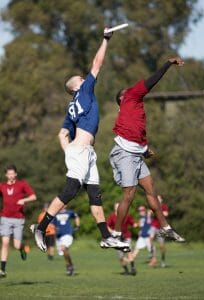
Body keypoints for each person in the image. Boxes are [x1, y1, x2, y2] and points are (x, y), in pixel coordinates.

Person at [31, 28, 129, 252]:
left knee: (95, 195)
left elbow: (62, 134)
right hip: (80, 151)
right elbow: (97, 63)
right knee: (71, 190)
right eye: (82, 79)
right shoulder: (83, 91)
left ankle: (106, 236)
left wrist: (69, 151)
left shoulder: (71, 109)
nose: (86, 79)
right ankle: (41, 226)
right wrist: (105, 39)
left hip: (84, 152)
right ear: (76, 85)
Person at [109, 57, 186, 250]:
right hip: (124, 154)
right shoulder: (131, 96)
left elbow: (136, 135)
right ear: (122, 99)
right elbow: (152, 80)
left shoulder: (135, 110)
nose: (133, 88)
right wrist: (168, 64)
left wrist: (144, 150)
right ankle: (115, 235)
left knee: (151, 190)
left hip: (135, 155)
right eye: (126, 91)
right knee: (129, 194)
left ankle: (166, 228)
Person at [0, 165, 37, 278]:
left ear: (15, 174)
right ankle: (2, 270)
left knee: (16, 245)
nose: (11, 176)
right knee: (5, 243)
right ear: (6, 175)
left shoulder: (22, 184)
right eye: (9, 174)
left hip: (18, 219)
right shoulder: (2, 186)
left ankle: (22, 249)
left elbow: (33, 197)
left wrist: (23, 200)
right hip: (5, 218)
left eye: (12, 173)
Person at [107, 202, 137, 275]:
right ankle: (126, 270)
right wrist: (112, 231)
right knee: (121, 257)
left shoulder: (126, 215)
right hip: (117, 239)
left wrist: (137, 225)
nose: (118, 208)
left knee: (129, 252)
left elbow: (133, 223)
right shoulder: (112, 216)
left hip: (126, 237)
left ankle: (133, 268)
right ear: (114, 208)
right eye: (116, 207)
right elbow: (107, 225)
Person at [52, 207, 80, 275]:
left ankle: (69, 266)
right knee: (64, 252)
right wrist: (55, 228)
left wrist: (78, 225)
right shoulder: (55, 213)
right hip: (59, 236)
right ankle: (70, 265)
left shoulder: (69, 212)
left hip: (67, 234)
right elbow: (52, 223)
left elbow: (76, 216)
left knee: (63, 248)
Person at [148, 195, 169, 267]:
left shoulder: (163, 206)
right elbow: (150, 212)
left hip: (161, 227)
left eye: (159, 199)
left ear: (161, 200)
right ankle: (152, 254)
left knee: (162, 246)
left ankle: (163, 260)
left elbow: (166, 214)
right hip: (153, 225)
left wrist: (159, 212)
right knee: (150, 238)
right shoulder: (154, 206)